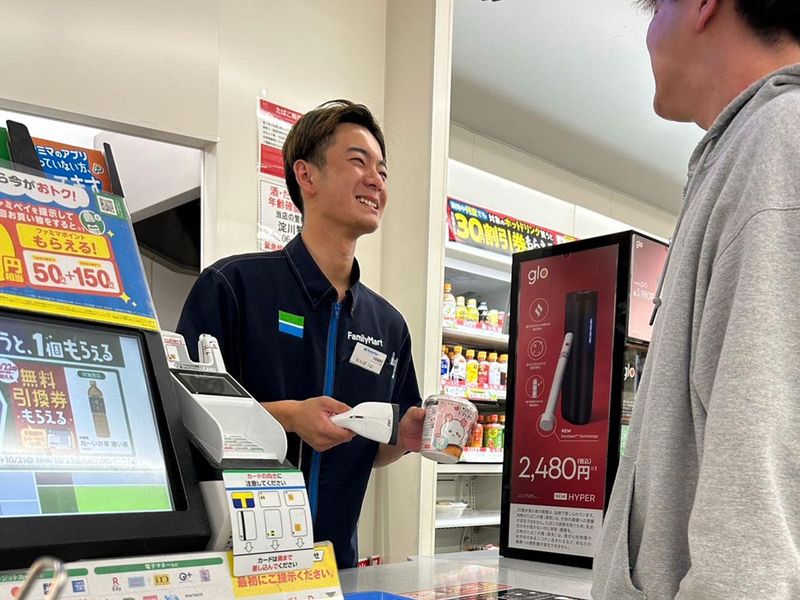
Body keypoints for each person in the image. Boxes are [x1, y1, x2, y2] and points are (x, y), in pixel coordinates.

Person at [592, 1, 800, 598]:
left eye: (657, 7)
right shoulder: (749, 148)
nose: (649, 33)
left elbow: (757, 525)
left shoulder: (778, 143)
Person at [177, 100, 425, 569]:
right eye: (358, 161)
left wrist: (407, 438)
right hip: (236, 569)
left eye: (382, 171)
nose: (376, 180)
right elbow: (183, 420)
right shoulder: (233, 286)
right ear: (306, 175)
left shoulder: (388, 326)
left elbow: (371, 452)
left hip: (335, 569)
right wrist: (290, 417)